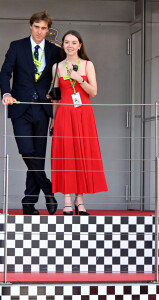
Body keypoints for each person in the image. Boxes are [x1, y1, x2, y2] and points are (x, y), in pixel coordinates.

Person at [0, 11, 61, 215]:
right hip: (20, 106)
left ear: (47, 30)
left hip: (43, 109)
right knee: (26, 150)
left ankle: (29, 202)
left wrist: (57, 98)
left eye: (44, 28)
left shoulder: (54, 51)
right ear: (31, 26)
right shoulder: (17, 46)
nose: (39, 31)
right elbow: (5, 72)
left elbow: (58, 78)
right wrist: (6, 93)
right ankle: (48, 189)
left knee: (38, 156)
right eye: (37, 27)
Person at [50, 30, 108, 215]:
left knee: (83, 155)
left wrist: (79, 79)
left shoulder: (87, 65)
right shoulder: (57, 67)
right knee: (66, 156)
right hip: (64, 114)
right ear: (63, 45)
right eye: (66, 42)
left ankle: (79, 199)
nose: (70, 45)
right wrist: (53, 120)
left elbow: (94, 92)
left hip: (84, 114)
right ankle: (67, 199)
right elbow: (55, 98)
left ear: (80, 45)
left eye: (74, 42)